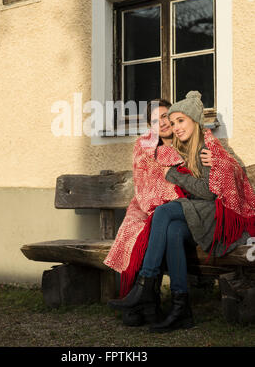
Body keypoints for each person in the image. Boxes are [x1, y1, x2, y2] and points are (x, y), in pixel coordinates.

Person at [107, 91, 255, 332]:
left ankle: (146, 285)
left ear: (194, 119)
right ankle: (181, 309)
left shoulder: (206, 146)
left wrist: (173, 174)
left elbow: (210, 189)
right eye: (168, 122)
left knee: (164, 214)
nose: (172, 126)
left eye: (177, 120)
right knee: (173, 231)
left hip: (217, 214)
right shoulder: (180, 146)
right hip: (197, 212)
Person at [104, 96, 211, 327]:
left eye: (165, 117)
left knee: (161, 222)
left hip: (184, 208)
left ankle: (146, 293)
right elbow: (145, 182)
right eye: (155, 121)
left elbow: (207, 177)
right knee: (135, 230)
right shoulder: (145, 146)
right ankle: (149, 300)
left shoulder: (189, 140)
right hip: (147, 205)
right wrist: (158, 200)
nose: (162, 124)